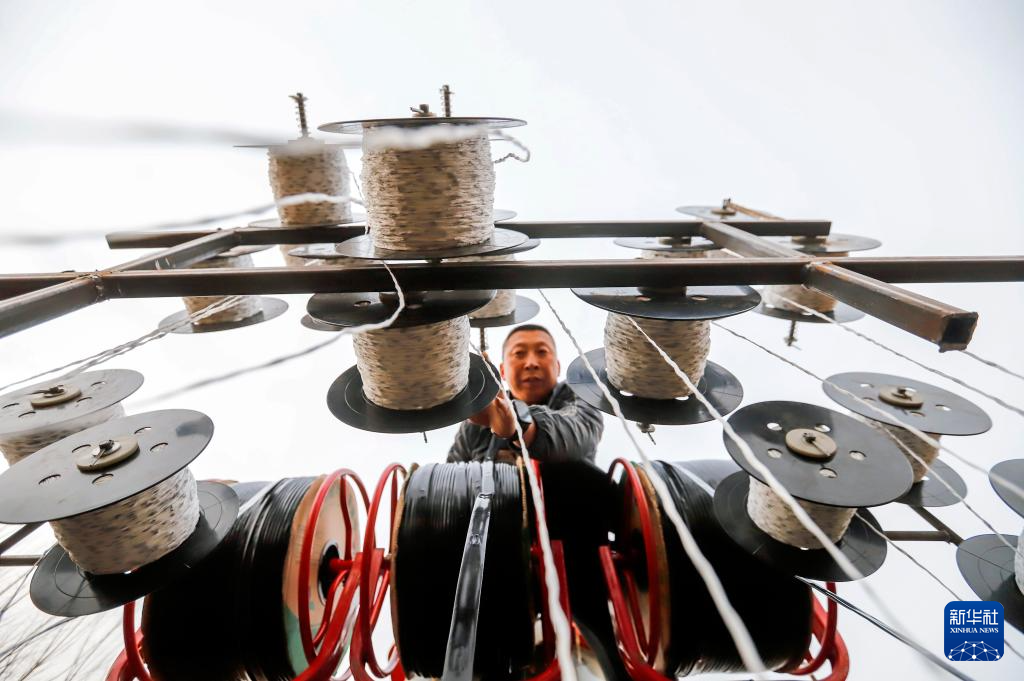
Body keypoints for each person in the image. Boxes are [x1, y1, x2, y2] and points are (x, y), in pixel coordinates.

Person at [448, 323, 604, 463]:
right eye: (519, 353)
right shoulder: (480, 416)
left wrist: (517, 425)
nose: (531, 363)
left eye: (542, 352)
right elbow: (451, 476)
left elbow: (580, 433)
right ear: (502, 371)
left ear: (557, 367)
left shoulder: (578, 394)